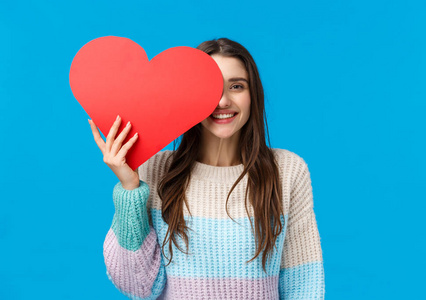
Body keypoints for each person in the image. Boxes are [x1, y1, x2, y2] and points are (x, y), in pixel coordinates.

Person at [88, 38, 325, 299]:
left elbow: (305, 285)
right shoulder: (156, 169)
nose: (223, 101)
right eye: (210, 88)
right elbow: (138, 286)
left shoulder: (287, 171)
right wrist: (129, 188)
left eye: (237, 86)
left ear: (253, 95)